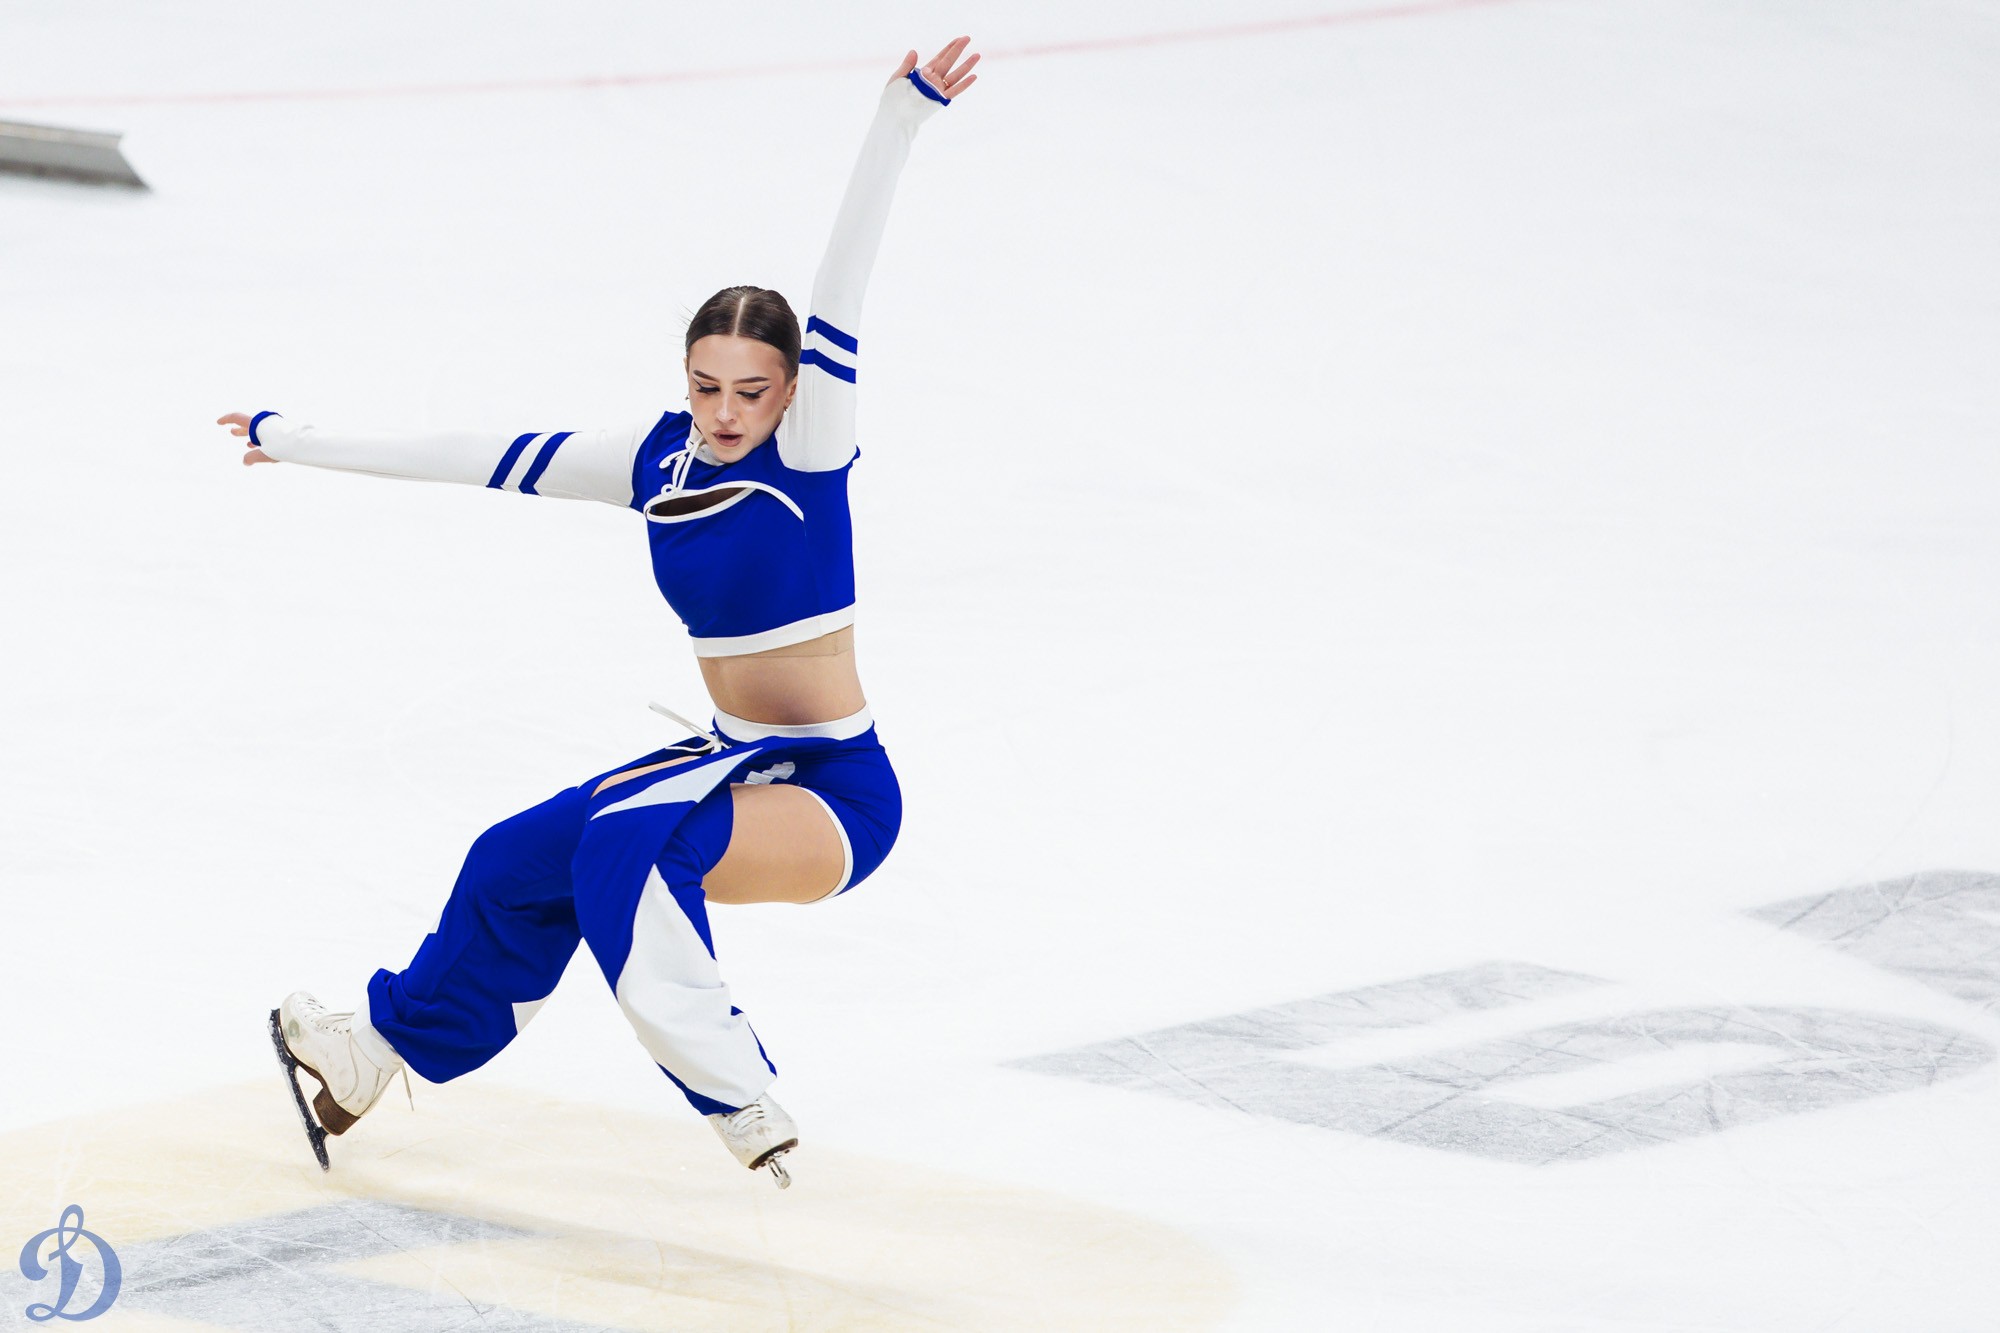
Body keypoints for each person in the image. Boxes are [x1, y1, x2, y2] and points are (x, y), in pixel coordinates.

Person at [223, 37, 980, 1187]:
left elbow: (841, 289)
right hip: (725, 761)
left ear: (790, 387)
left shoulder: (808, 451)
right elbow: (478, 453)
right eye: (706, 386)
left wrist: (899, 118)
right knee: (512, 858)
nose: (726, 411)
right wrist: (297, 441)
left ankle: (739, 1094)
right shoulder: (655, 461)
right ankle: (376, 1051)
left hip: (833, 789)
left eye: (751, 390)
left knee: (632, 844)